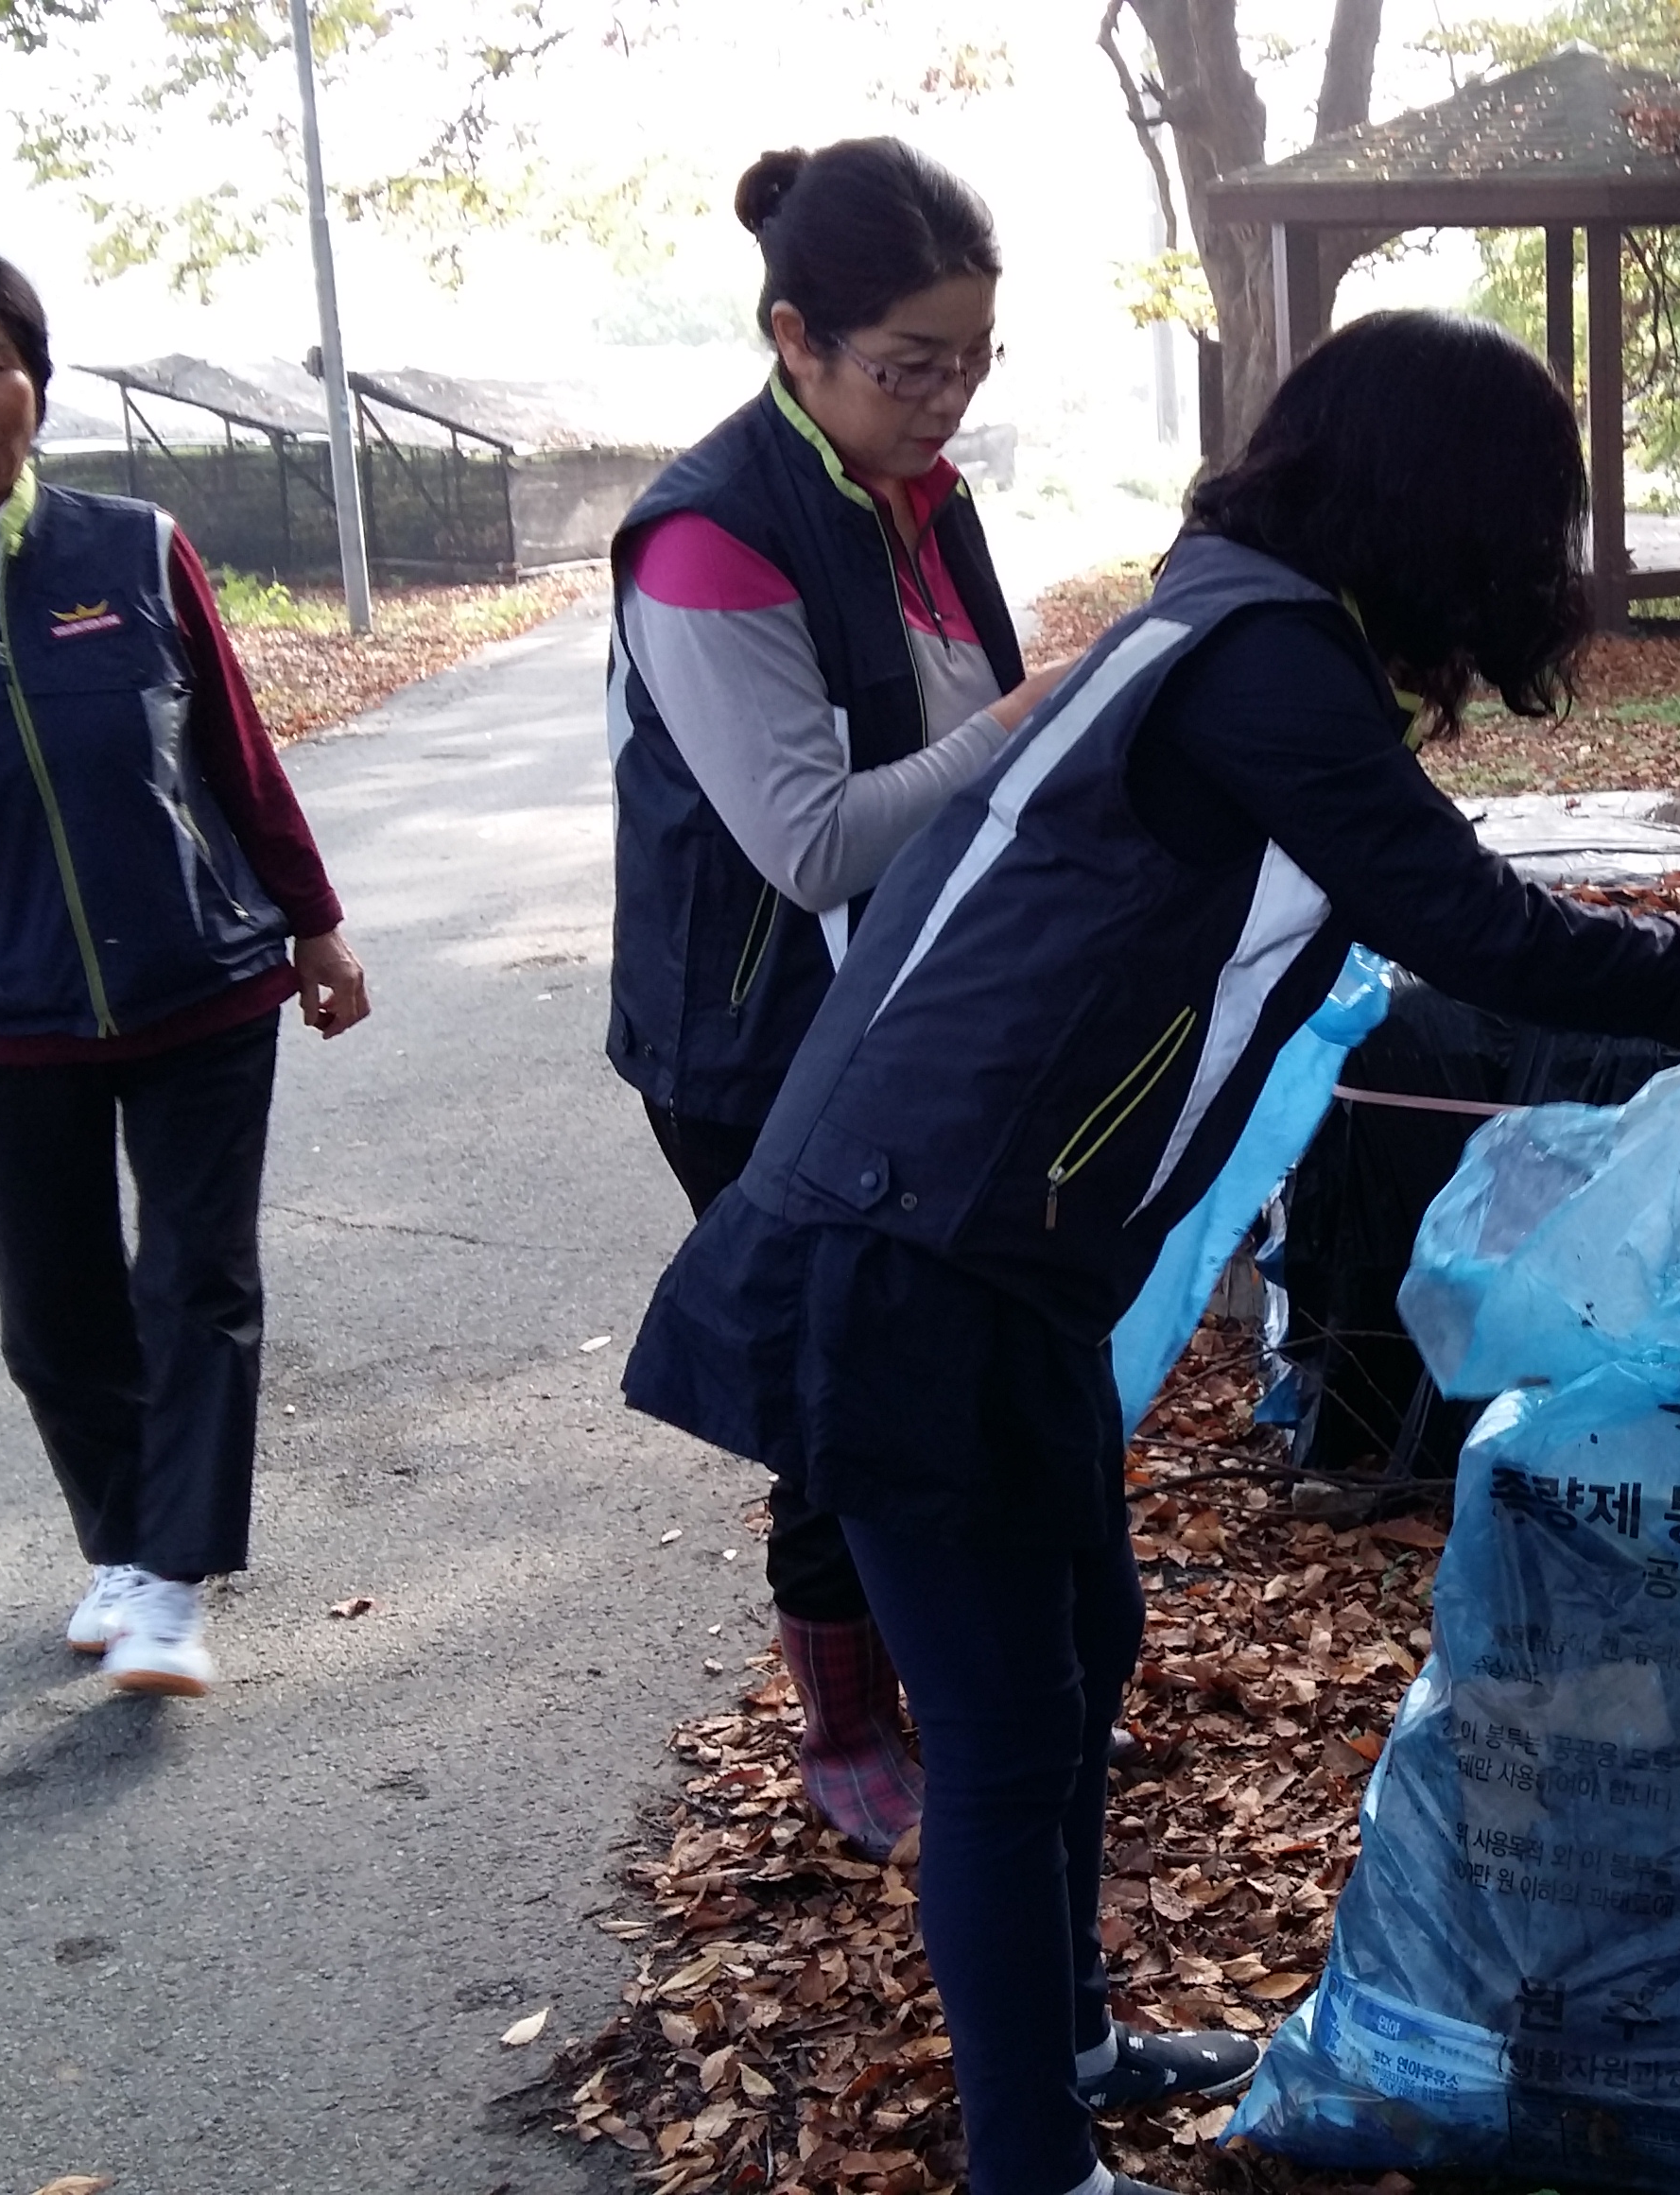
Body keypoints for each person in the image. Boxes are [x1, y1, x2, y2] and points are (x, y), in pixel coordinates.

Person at [623, 311, 1680, 2195]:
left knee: (1085, 1647)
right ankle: (1031, 2166)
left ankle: (1067, 2047)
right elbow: (1468, 919)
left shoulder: (1231, 617)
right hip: (907, 1262)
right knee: (999, 1731)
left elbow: (1412, 880)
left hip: (994, 1255)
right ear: (1437, 506)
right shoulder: (1260, 658)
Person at [0, 244, 372, 1699]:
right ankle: (122, 1542)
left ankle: (170, 1578)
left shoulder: (135, 548)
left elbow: (235, 753)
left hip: (203, 986)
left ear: (35, 387)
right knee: (54, 1315)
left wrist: (313, 922)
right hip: (7, 1010)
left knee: (196, 1281)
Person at [609, 137, 1068, 1856]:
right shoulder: (708, 539)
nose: (946, 401)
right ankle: (845, 1722)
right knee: (834, 1393)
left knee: (936, 1361)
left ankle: (958, 1675)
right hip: (754, 1043)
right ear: (795, 337)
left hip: (908, 1014)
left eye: (973, 360)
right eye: (910, 365)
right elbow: (808, 843)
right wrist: (1021, 726)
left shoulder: (920, 494)